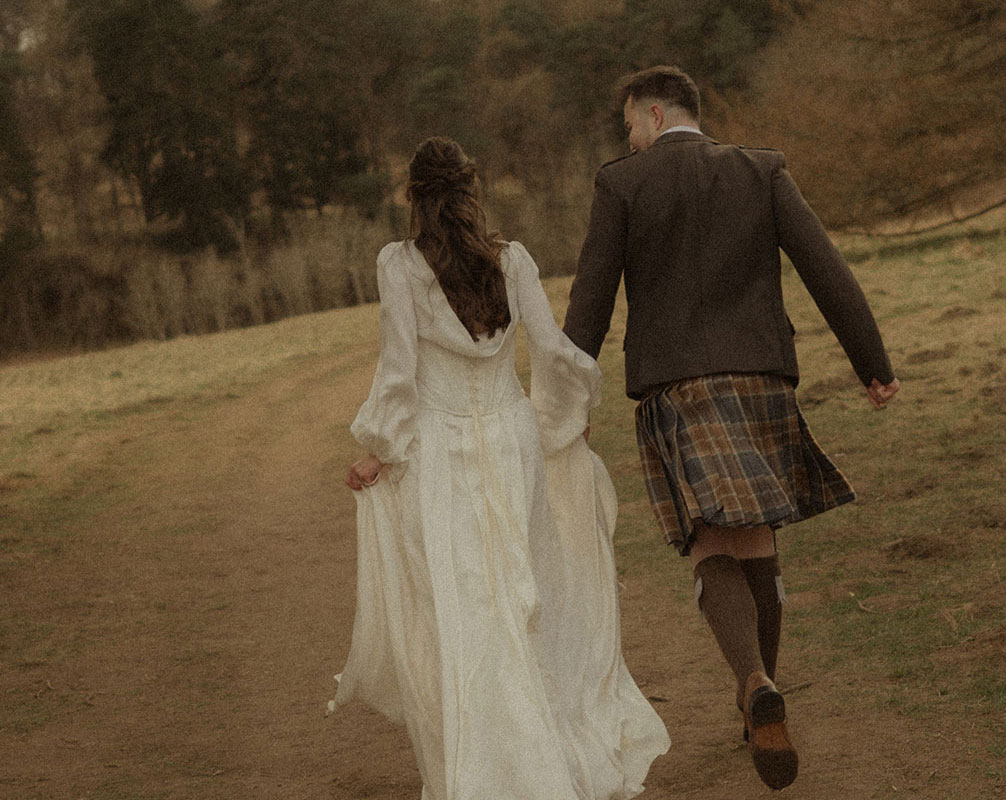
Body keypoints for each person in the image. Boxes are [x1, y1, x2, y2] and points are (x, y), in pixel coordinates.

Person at [562, 66, 900, 791]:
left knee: (710, 542)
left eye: (630, 123)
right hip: (761, 375)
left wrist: (569, 398)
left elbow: (591, 296)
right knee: (758, 539)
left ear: (654, 114)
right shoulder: (760, 169)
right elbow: (824, 267)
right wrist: (872, 361)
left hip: (677, 386)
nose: (629, 136)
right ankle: (762, 698)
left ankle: (751, 682)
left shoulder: (622, 183)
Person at [327, 137, 670, 800]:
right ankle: (542, 758)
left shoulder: (398, 265)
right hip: (513, 444)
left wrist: (380, 450)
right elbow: (551, 350)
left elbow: (399, 371)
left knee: (465, 610)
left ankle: (486, 771)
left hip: (441, 450)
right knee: (523, 596)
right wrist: (564, 421)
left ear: (413, 197)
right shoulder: (512, 260)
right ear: (471, 192)